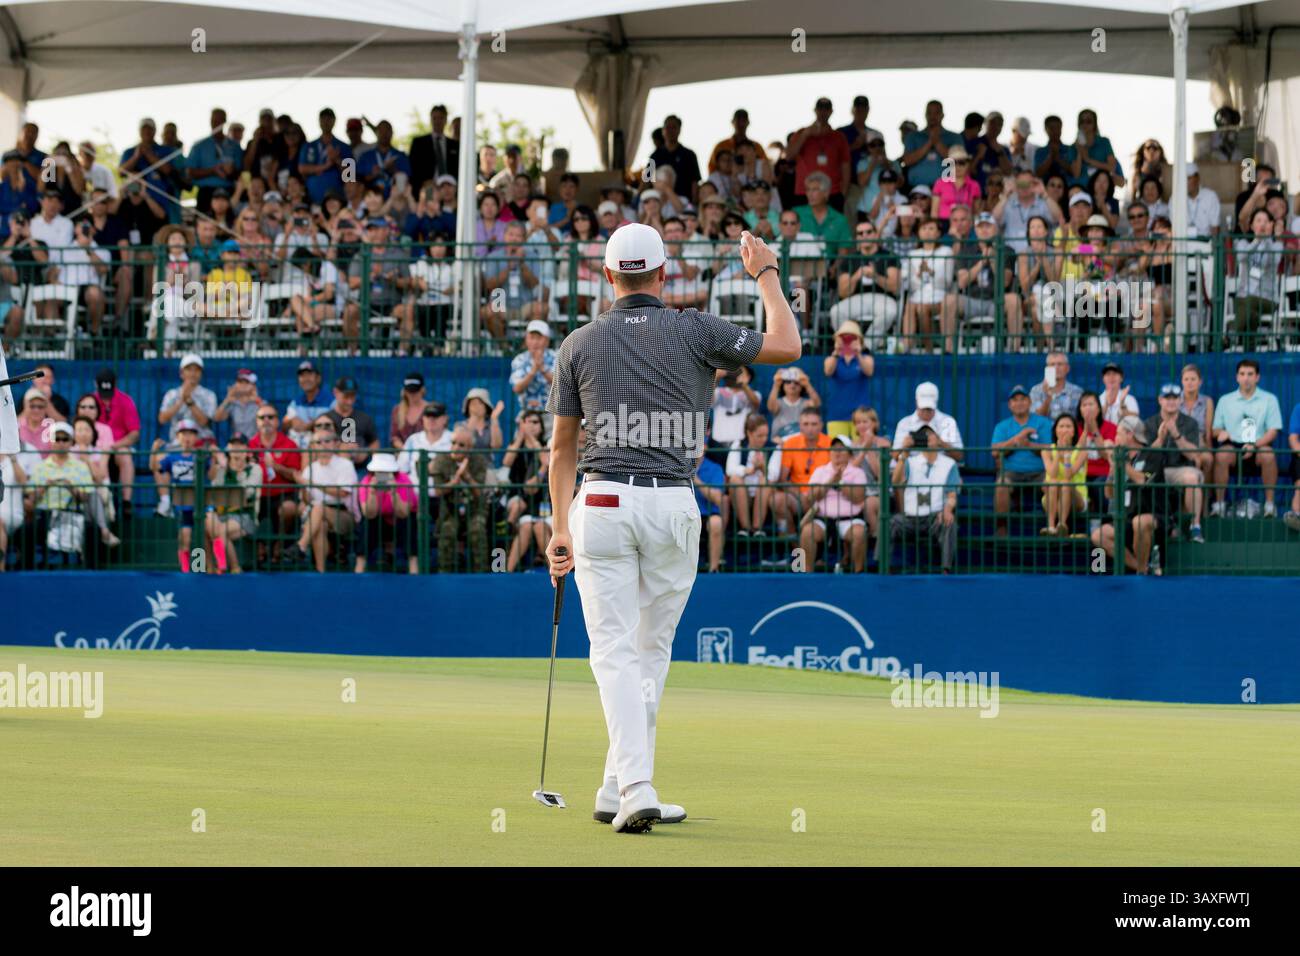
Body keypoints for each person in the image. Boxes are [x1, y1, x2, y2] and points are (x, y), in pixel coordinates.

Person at [544, 221, 800, 832]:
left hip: (600, 503)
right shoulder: (695, 327)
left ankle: (619, 784)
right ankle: (635, 785)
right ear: (665, 273)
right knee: (647, 653)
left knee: (614, 652)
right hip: (673, 506)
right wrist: (766, 273)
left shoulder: (578, 342)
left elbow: (560, 452)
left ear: (608, 277)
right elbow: (787, 346)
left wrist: (558, 527)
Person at [1091, 416, 1169, 575]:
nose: (1115, 438)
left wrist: (1122, 465)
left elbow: (1143, 480)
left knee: (1139, 522)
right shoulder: (1122, 459)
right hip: (1126, 517)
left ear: (1130, 434)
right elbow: (1109, 493)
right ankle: (1144, 569)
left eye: (1118, 434)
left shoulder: (1151, 455)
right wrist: (1113, 468)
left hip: (1153, 514)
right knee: (1099, 535)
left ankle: (1141, 573)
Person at [1210, 358, 1282, 519]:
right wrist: (1221, 433)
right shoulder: (1225, 400)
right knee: (1221, 455)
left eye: (1250, 374)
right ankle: (1219, 505)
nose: (1246, 378)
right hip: (1232, 445)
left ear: (1257, 377)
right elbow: (1215, 430)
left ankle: (1270, 505)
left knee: (1269, 455)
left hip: (1259, 445)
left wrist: (1254, 445)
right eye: (1242, 374)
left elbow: (1273, 431)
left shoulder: (1269, 399)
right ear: (1237, 377)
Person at [889, 425, 961, 573]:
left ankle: (946, 570)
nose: (927, 437)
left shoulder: (949, 464)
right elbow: (895, 482)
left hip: (935, 517)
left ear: (938, 438)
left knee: (949, 523)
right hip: (910, 517)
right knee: (888, 524)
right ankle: (883, 567)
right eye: (922, 435)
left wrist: (947, 510)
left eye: (930, 434)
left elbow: (952, 495)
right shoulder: (910, 461)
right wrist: (904, 453)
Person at [1144, 382, 1206, 543]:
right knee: (1145, 479)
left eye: (1175, 398)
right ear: (1160, 400)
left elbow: (1194, 454)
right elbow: (1146, 457)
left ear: (1180, 401)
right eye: (1167, 398)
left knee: (1192, 478)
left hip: (1181, 469)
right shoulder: (1150, 423)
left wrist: (1177, 435)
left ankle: (1195, 526)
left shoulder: (1190, 423)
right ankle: (1159, 526)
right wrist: (1160, 438)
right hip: (1157, 470)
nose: (1171, 402)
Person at [990, 385, 1053, 535]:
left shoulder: (1043, 422)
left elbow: (1050, 448)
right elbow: (994, 452)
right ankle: (1001, 529)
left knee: (1052, 485)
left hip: (1040, 472)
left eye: (1023, 399)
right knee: (1001, 486)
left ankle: (1053, 528)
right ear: (1010, 405)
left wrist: (1030, 445)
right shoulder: (1002, 426)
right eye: (1015, 400)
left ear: (1030, 402)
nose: (1019, 403)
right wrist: (1017, 438)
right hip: (1011, 472)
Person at [802, 435, 868, 572]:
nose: (837, 452)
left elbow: (859, 498)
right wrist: (830, 481)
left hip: (850, 519)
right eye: (834, 449)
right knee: (807, 532)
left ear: (849, 454)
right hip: (823, 518)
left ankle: (858, 573)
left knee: (859, 533)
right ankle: (804, 573)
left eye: (841, 449)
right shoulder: (820, 471)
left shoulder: (857, 472)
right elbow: (811, 497)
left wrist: (841, 483)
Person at [431, 423, 489, 572]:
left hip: (475, 509)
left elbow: (479, 493)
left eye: (461, 445)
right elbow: (438, 491)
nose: (455, 447)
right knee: (447, 529)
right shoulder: (441, 460)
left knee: (477, 529)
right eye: (453, 443)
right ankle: (444, 573)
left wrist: (466, 476)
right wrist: (454, 481)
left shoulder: (479, 461)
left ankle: (481, 573)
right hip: (450, 510)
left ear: (469, 449)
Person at [204, 434, 263, 574]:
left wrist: (238, 472)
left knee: (220, 530)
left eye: (240, 445)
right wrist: (218, 464)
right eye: (233, 444)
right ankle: (208, 567)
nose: (236, 448)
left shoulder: (254, 469)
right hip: (222, 515)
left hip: (245, 516)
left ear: (247, 450)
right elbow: (214, 492)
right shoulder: (222, 469)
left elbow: (246, 494)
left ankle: (233, 567)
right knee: (205, 522)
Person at [502, 409, 552, 572]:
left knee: (537, 525)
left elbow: (545, 460)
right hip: (519, 494)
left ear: (542, 426)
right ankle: (507, 570)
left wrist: (530, 437)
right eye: (527, 422)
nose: (531, 425)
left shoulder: (545, 445)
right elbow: (507, 461)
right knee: (521, 514)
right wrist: (521, 437)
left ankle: (555, 572)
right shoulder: (516, 444)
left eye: (535, 422)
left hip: (541, 498)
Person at [772, 407, 833, 535]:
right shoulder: (790, 444)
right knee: (776, 500)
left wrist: (813, 495)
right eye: (806, 424)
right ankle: (794, 542)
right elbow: (783, 479)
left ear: (821, 425)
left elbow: (835, 476)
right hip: (798, 495)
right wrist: (801, 495)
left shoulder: (831, 443)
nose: (810, 428)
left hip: (824, 495)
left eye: (814, 424)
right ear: (800, 426)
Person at [150, 420, 202, 569]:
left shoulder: (201, 455)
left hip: (199, 503)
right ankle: (185, 570)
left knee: (200, 538)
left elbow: (211, 475)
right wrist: (154, 451)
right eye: (183, 434)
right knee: (185, 537)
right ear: (178, 437)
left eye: (191, 434)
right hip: (182, 503)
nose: (187, 437)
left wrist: (217, 460)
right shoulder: (173, 457)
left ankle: (199, 568)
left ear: (196, 438)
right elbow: (154, 467)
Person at [354, 452, 417, 575]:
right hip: (378, 522)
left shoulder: (404, 480)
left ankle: (414, 568)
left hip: (400, 520)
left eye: (386, 472)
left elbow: (404, 513)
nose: (382, 475)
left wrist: (394, 493)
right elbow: (369, 514)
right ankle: (359, 568)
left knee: (408, 522)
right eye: (378, 471)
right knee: (367, 523)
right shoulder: (366, 482)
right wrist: (372, 493)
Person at [821, 320, 873, 439]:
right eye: (844, 338)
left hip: (861, 416)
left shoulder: (866, 358)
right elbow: (828, 371)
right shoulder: (831, 359)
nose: (848, 341)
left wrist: (858, 353)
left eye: (852, 338)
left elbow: (869, 371)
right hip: (837, 415)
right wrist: (836, 352)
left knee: (861, 449)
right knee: (837, 450)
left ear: (859, 340)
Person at [725, 412, 772, 538]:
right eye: (759, 436)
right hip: (741, 496)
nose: (764, 439)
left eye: (766, 435)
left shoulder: (773, 447)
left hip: (763, 497)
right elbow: (730, 470)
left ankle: (757, 529)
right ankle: (745, 528)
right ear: (749, 433)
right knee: (735, 479)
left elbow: (774, 475)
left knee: (765, 480)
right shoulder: (738, 445)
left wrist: (763, 468)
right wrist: (748, 470)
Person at [1040, 413, 1087, 537]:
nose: (1064, 429)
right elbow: (1052, 473)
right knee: (1054, 481)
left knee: (1066, 483)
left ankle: (1062, 524)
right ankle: (1051, 526)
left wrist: (1066, 455)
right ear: (1055, 431)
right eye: (1061, 426)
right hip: (1052, 497)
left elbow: (1068, 475)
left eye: (1068, 426)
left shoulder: (1082, 451)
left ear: (1074, 431)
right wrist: (1058, 454)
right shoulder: (1046, 450)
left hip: (1076, 496)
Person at [893, 381, 964, 462]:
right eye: (923, 408)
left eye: (929, 408)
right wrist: (905, 446)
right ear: (916, 402)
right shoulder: (904, 423)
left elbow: (959, 456)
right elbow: (895, 456)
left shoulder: (948, 422)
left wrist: (940, 443)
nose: (926, 412)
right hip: (912, 472)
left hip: (942, 472)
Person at [766, 366, 820, 440]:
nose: (792, 385)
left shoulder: (806, 403)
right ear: (783, 385)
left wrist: (807, 384)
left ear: (801, 386)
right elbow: (771, 407)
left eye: (796, 382)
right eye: (788, 382)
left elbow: (816, 404)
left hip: (801, 441)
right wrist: (776, 385)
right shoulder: (778, 402)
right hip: (780, 441)